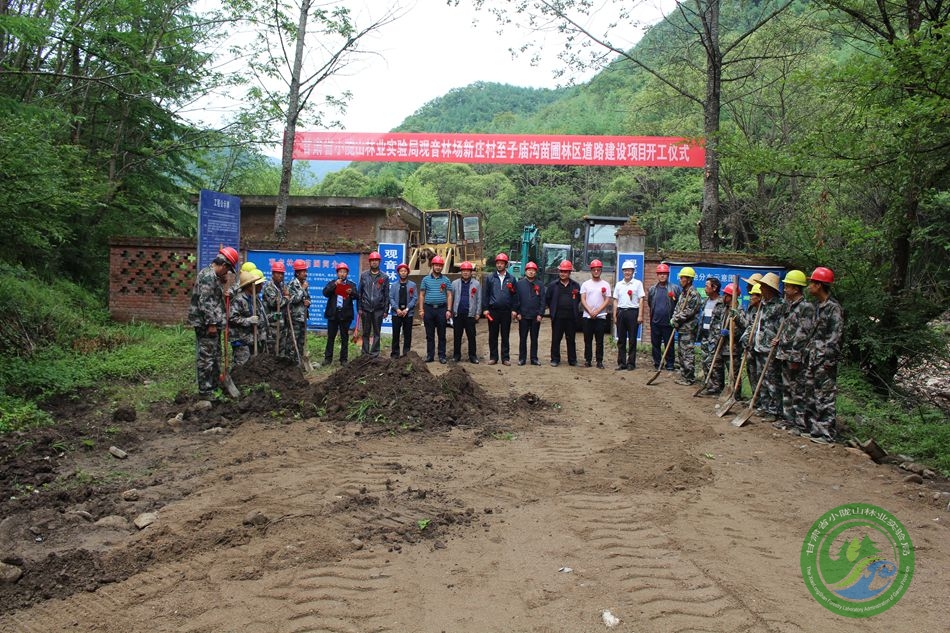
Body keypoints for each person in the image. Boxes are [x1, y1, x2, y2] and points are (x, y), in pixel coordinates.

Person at [187, 246, 237, 399]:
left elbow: (216, 300)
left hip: (213, 322)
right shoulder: (208, 276)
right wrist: (212, 324)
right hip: (206, 325)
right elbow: (206, 302)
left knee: (215, 356)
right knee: (207, 358)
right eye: (227, 270)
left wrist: (223, 285)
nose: (227, 273)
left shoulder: (214, 277)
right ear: (223, 265)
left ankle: (214, 386)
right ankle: (205, 391)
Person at [774, 269, 816, 435]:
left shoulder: (806, 308)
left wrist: (796, 355)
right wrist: (780, 341)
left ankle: (800, 424)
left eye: (788, 286)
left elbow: (803, 334)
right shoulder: (789, 306)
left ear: (797, 288)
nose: (785, 288)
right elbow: (787, 329)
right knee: (786, 388)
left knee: (797, 390)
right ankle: (788, 419)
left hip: (795, 356)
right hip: (784, 352)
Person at [805, 267, 843, 444]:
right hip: (813, 357)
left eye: (812, 283)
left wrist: (829, 359)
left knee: (825, 395)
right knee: (811, 393)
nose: (809, 287)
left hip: (825, 359)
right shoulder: (816, 307)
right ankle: (814, 430)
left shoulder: (833, 308)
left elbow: (835, 336)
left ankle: (826, 433)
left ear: (819, 285)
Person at [702, 282, 743, 396]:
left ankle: (736, 394)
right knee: (715, 365)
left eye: (726, 295)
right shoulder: (724, 308)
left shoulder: (738, 310)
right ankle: (716, 388)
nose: (724, 297)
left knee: (733, 371)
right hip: (721, 344)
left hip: (732, 347)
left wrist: (731, 332)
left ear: (732, 297)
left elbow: (744, 328)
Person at [754, 272, 785, 421]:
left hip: (771, 348)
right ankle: (764, 406)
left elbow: (784, 326)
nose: (760, 289)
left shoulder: (780, 305)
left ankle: (774, 410)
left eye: (763, 287)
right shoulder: (763, 305)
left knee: (772, 380)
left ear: (770, 288)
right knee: (762, 378)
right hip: (760, 345)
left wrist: (779, 339)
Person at [482, 253, 519, 365]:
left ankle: (505, 358)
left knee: (505, 335)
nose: (499, 265)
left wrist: (514, 309)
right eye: (498, 263)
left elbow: (515, 295)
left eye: (502, 263)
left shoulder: (511, 279)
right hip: (493, 310)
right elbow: (486, 294)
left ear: (505, 264)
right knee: (493, 335)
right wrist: (485, 308)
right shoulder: (490, 278)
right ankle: (493, 357)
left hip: (506, 311)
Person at [545, 260, 582, 367]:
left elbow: (578, 299)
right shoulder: (552, 285)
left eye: (565, 271)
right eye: (561, 271)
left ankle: (572, 360)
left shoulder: (575, 286)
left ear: (570, 272)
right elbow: (548, 299)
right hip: (557, 317)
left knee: (571, 339)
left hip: (571, 317)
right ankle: (555, 359)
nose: (563, 273)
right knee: (556, 339)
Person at [670, 266, 702, 385]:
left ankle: (689, 378)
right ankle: (684, 375)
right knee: (681, 352)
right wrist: (674, 318)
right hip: (681, 328)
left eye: (682, 278)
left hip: (689, 328)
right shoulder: (683, 293)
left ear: (689, 279)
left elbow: (688, 311)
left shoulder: (693, 294)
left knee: (687, 353)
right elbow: (678, 308)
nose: (680, 280)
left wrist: (676, 319)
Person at [228, 270, 266, 368]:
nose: (260, 286)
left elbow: (260, 316)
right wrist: (248, 320)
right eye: (257, 284)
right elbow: (231, 318)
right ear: (249, 286)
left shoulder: (255, 299)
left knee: (252, 366)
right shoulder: (239, 299)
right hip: (241, 339)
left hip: (252, 339)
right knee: (241, 366)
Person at [322, 262, 358, 365]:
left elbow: (357, 296)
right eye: (340, 272)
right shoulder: (332, 283)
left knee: (344, 337)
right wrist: (335, 285)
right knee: (331, 337)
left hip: (345, 315)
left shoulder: (351, 285)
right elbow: (325, 293)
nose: (342, 274)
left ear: (347, 273)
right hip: (333, 314)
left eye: (344, 272)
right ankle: (328, 359)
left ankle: (344, 359)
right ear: (337, 273)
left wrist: (351, 292)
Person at [612, 260, 645, 370]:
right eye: (625, 270)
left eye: (629, 270)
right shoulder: (618, 284)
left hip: (633, 313)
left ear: (633, 271)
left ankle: (631, 363)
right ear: (622, 271)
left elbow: (641, 300)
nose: (627, 272)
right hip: (621, 312)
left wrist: (640, 315)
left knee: (632, 339)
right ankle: (621, 363)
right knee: (621, 339)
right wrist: (614, 315)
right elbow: (615, 300)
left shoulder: (638, 283)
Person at [647, 263, 680, 371]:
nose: (662, 276)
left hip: (668, 322)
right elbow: (650, 303)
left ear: (668, 275)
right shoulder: (652, 289)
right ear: (657, 275)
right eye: (660, 274)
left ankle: (670, 364)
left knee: (669, 344)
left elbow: (678, 304)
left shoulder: (674, 289)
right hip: (655, 322)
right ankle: (657, 363)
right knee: (655, 344)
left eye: (664, 274)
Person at [579, 259, 611, 368]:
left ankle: (599, 361)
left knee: (599, 340)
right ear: (591, 271)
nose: (596, 271)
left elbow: (607, 300)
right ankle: (588, 360)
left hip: (600, 316)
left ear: (601, 270)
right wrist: (589, 310)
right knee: (587, 339)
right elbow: (583, 299)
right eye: (594, 270)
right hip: (587, 316)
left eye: (598, 269)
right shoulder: (585, 284)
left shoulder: (605, 284)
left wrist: (597, 311)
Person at [418, 255, 449, 363]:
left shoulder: (446, 280)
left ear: (442, 267)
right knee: (429, 334)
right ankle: (430, 355)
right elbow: (421, 294)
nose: (438, 267)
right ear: (432, 266)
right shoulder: (425, 279)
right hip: (429, 309)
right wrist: (421, 310)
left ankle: (442, 356)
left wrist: (449, 310)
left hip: (441, 309)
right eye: (436, 265)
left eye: (440, 266)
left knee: (442, 334)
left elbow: (449, 295)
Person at [448, 261, 481, 363]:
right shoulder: (454, 283)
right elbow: (450, 297)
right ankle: (456, 356)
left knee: (471, 336)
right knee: (457, 336)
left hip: (470, 314)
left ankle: (473, 356)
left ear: (471, 272)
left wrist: (478, 313)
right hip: (458, 314)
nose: (466, 273)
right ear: (461, 272)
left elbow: (479, 299)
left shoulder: (476, 284)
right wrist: (450, 311)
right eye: (464, 271)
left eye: (468, 271)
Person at [358, 251, 390, 358]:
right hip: (366, 308)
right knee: (366, 332)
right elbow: (360, 293)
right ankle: (365, 353)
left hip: (378, 309)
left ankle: (375, 353)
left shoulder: (384, 277)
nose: (374, 262)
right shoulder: (364, 276)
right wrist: (359, 308)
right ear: (369, 262)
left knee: (377, 332)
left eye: (376, 260)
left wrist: (386, 310)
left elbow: (386, 295)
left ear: (379, 262)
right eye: (372, 260)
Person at [515, 261, 545, 366]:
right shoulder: (519, 284)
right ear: (526, 271)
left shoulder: (540, 284)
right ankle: (522, 358)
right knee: (523, 338)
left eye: (533, 270)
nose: (531, 272)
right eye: (529, 270)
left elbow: (542, 300)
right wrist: (518, 312)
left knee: (534, 338)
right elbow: (516, 299)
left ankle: (534, 358)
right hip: (523, 315)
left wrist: (540, 314)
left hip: (535, 316)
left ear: (535, 272)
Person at [699, 277, 724, 389]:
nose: (705, 288)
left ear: (714, 288)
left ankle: (717, 386)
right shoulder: (705, 301)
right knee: (705, 361)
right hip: (705, 335)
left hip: (715, 337)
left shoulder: (721, 303)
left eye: (707, 286)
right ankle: (708, 384)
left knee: (715, 363)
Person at [739, 283, 763, 396]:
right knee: (751, 373)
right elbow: (748, 326)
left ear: (759, 297)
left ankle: (760, 402)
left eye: (753, 295)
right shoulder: (752, 310)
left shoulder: (763, 312)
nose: (750, 297)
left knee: (760, 375)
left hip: (760, 349)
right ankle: (754, 399)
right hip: (749, 347)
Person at [389, 262, 416, 358]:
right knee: (395, 334)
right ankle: (395, 353)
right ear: (398, 273)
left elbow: (414, 298)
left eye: (405, 271)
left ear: (407, 272)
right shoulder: (394, 285)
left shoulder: (412, 285)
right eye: (401, 271)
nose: (403, 273)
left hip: (408, 314)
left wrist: (407, 309)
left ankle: (406, 353)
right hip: (396, 314)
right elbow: (391, 298)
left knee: (407, 334)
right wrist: (397, 309)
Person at [262, 260, 288, 356]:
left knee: (282, 348)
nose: (280, 276)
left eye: (282, 273)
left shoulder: (282, 286)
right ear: (273, 274)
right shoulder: (269, 287)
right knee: (272, 348)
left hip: (282, 322)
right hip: (272, 322)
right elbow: (274, 303)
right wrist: (286, 298)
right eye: (278, 273)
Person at [286, 259, 311, 362]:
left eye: (306, 271)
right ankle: (291, 363)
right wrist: (302, 289)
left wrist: (308, 302)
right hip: (294, 318)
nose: (305, 274)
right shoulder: (292, 284)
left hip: (303, 317)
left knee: (301, 342)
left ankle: (299, 363)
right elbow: (293, 300)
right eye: (303, 271)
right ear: (297, 273)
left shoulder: (304, 284)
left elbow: (307, 298)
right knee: (293, 342)